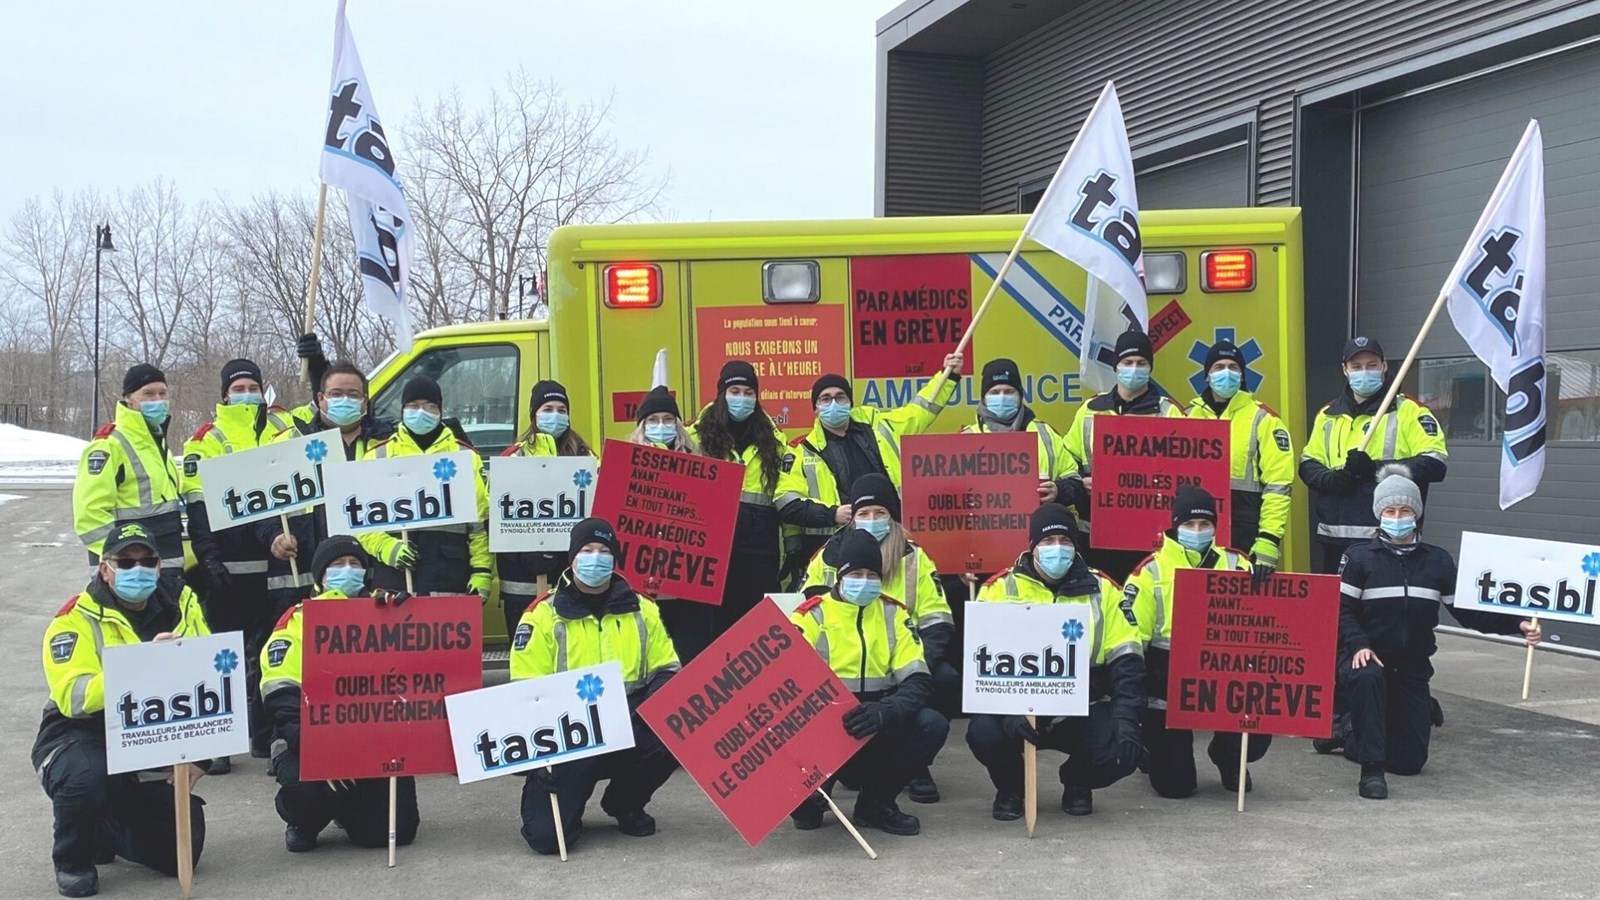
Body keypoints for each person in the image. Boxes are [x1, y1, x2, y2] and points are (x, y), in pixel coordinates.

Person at [1337, 467, 1541, 800]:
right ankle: (1371, 771)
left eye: (1405, 510)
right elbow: (1341, 611)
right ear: (1379, 514)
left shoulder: (1438, 561)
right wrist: (1358, 645)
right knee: (1369, 678)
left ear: (1417, 513)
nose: (1398, 517)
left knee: (1409, 762)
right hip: (1364, 659)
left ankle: (1349, 732)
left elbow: (1467, 610)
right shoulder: (1358, 557)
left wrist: (1516, 624)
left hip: (1411, 669)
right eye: (1390, 510)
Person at [32, 522, 209, 898]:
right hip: (81, 731)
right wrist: (141, 665)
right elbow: (75, 697)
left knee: (182, 845)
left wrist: (201, 757)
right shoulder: (74, 620)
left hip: (152, 727)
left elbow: (208, 678)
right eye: (125, 562)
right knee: (86, 779)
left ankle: (103, 824)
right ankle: (73, 859)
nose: (137, 569)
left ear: (160, 565)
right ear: (105, 568)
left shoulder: (184, 603)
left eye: (147, 560)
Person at [510, 518, 682, 855]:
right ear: (572, 558)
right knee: (546, 838)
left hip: (627, 725)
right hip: (569, 737)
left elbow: (668, 668)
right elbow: (525, 693)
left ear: (615, 559)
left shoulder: (642, 609)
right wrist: (536, 759)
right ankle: (562, 804)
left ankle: (624, 804)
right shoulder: (542, 617)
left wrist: (655, 711)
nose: (596, 558)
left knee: (674, 732)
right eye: (587, 550)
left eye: (604, 551)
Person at [967, 505, 1146, 819]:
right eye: (1048, 541)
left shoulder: (1103, 589)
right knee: (984, 732)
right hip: (1017, 710)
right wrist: (1009, 714)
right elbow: (979, 668)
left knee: (1121, 751)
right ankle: (1012, 787)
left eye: (1065, 540)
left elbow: (1128, 661)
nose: (1057, 548)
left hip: (1080, 709)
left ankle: (1078, 780)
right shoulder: (998, 589)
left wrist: (1127, 720)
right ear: (1032, 546)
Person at [801, 474, 954, 804]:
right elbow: (803, 620)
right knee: (806, 813)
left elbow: (937, 621)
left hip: (900, 662)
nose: (871, 521)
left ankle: (912, 770)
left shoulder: (914, 558)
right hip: (836, 687)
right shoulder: (825, 558)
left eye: (880, 513)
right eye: (864, 514)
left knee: (941, 683)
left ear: (893, 516)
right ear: (852, 517)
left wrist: (907, 680)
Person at [260, 536, 418, 852]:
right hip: (308, 739)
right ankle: (300, 820)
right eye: (337, 565)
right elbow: (280, 691)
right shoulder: (299, 619)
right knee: (308, 796)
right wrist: (318, 748)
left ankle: (348, 807)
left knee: (391, 834)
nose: (348, 570)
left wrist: (410, 617)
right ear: (320, 576)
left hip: (371, 738)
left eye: (355, 564)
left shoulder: (386, 610)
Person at [790, 529, 949, 837]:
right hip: (823, 728)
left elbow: (918, 680)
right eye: (856, 573)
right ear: (840, 575)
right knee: (806, 820)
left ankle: (876, 804)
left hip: (876, 723)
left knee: (932, 723)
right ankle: (808, 797)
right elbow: (786, 684)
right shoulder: (811, 615)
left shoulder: (894, 614)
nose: (864, 581)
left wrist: (886, 711)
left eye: (871, 574)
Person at [775, 352, 963, 586]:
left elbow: (922, 409)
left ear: (850, 402)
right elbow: (786, 504)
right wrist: (833, 514)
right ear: (816, 408)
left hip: (891, 536)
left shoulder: (880, 426)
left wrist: (949, 376)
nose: (834, 403)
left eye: (840, 397)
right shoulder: (802, 451)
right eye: (826, 399)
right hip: (839, 547)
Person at [1123, 486, 1259, 799]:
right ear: (1175, 526)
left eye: (1205, 524)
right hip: (1167, 683)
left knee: (1267, 710)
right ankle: (1153, 747)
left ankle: (1226, 753)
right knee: (1175, 787)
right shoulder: (1150, 572)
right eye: (1189, 525)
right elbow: (1132, 642)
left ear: (1216, 525)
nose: (1197, 531)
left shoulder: (1239, 565)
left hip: (1222, 676)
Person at [181, 358, 280, 768]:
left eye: (252, 386)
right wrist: (209, 559)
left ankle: (262, 733)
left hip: (275, 561)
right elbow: (198, 507)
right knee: (224, 657)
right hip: (228, 564)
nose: (246, 393)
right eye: (238, 387)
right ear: (224, 394)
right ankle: (220, 743)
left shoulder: (279, 429)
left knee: (268, 652)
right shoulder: (205, 440)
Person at [257, 362, 395, 619]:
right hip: (304, 576)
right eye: (336, 394)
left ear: (365, 401)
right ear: (321, 399)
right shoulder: (291, 442)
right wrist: (274, 535)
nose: (345, 400)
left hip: (370, 580)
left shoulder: (389, 442)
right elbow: (262, 503)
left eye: (353, 395)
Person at [1299, 336, 1448, 574]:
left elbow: (1434, 464)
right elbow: (1308, 464)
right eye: (1356, 367)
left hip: (1388, 538)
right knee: (1339, 610)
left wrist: (1376, 469)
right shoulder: (1328, 414)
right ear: (1345, 370)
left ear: (1384, 366)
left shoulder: (1409, 411)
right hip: (1335, 540)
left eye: (1371, 365)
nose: (1364, 372)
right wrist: (1331, 480)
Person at [1061, 330, 1186, 581]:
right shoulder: (1090, 410)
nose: (1134, 369)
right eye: (1127, 363)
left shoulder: (1169, 412)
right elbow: (1067, 460)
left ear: (1150, 367)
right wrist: (1079, 482)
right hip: (1097, 535)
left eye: (1141, 363)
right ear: (1116, 366)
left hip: (1150, 537)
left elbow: (1185, 473)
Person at [357, 376, 491, 597]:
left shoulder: (464, 457)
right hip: (394, 579)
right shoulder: (378, 456)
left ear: (440, 410)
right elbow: (362, 522)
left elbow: (479, 525)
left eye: (430, 406)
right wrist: (385, 547)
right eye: (413, 406)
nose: (421, 412)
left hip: (450, 577)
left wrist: (482, 570)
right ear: (402, 410)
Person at [686, 361, 790, 635]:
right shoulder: (693, 438)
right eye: (734, 390)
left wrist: (793, 547)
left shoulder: (776, 443)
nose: (741, 398)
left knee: (757, 635)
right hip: (710, 555)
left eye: (748, 392)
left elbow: (784, 497)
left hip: (759, 556)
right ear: (721, 394)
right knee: (713, 634)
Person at [1184, 339, 1295, 583]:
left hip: (1245, 532)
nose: (1226, 372)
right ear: (1207, 376)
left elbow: (1279, 486)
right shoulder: (1187, 416)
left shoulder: (1264, 419)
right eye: (1218, 367)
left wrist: (1269, 539)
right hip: (1194, 530)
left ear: (1242, 375)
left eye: (1233, 367)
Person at [496, 379, 597, 636]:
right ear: (534, 415)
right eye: (547, 409)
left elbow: (595, 516)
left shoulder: (586, 459)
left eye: (561, 410)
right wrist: (525, 555)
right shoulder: (513, 458)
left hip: (570, 581)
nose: (556, 415)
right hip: (522, 585)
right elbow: (497, 520)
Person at [73, 364, 186, 586]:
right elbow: (89, 514)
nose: (157, 400)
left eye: (162, 393)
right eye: (148, 393)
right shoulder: (109, 446)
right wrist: (119, 559)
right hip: (129, 572)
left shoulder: (156, 442)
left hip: (165, 565)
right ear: (129, 398)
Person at [627, 385, 715, 661]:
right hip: (641, 590)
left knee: (690, 661)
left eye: (667, 419)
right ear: (641, 427)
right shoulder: (621, 465)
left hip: (689, 589)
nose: (660, 426)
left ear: (678, 426)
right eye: (652, 420)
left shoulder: (702, 468)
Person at [963, 357, 1082, 507]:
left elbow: (1075, 482)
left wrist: (1058, 491)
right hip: (983, 528)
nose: (1001, 397)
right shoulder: (966, 439)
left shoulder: (1045, 434)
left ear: (1020, 395)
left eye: (1009, 391)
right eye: (994, 392)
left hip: (1037, 525)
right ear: (983, 398)